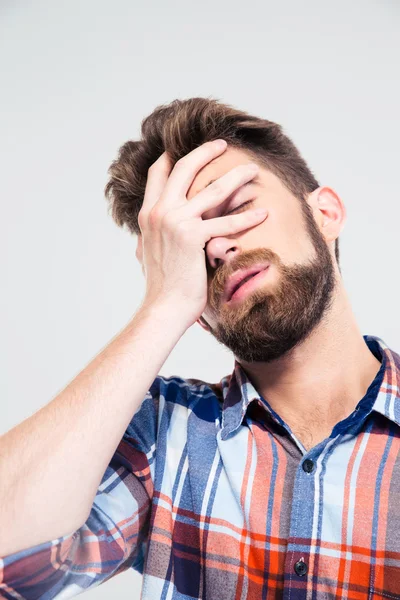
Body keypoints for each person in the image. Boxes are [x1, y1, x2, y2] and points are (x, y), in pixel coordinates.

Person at [0, 97, 397, 599]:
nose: (217, 247)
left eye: (235, 209)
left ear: (325, 213)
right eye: (189, 244)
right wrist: (162, 307)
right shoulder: (161, 434)